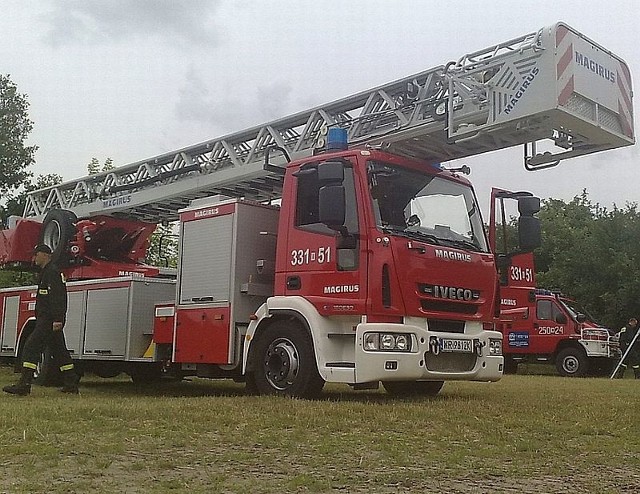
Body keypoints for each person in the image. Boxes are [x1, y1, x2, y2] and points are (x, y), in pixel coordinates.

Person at [3, 244, 79, 395]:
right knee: (60, 352)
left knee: (31, 347)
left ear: (45, 255)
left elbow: (58, 298)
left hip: (48, 321)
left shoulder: (52, 272)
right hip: (47, 320)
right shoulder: (46, 272)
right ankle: (71, 383)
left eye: (36, 254)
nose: (34, 257)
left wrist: (58, 319)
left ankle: (24, 384)